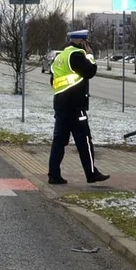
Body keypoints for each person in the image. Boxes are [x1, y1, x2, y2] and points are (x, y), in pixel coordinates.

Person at [48, 30, 110, 185]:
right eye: (86, 42)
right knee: (84, 141)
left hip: (61, 105)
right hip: (75, 106)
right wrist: (90, 55)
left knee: (59, 141)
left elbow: (52, 79)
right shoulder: (76, 55)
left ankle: (54, 175)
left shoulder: (61, 56)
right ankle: (91, 174)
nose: (87, 44)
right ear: (82, 41)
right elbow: (90, 71)